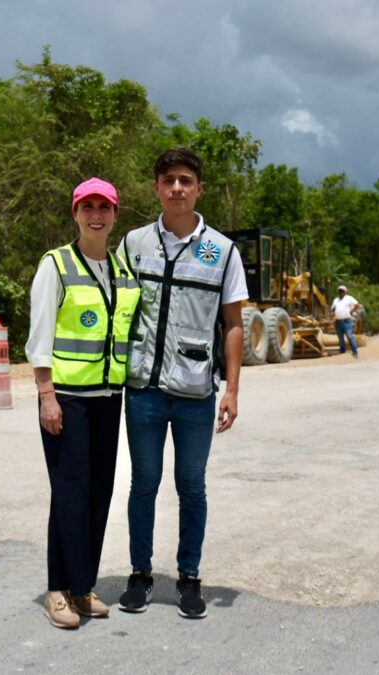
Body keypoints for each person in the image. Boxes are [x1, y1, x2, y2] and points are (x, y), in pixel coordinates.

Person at [115, 147, 246, 619]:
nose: (176, 188)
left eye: (185, 180)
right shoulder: (132, 244)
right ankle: (140, 575)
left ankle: (189, 578)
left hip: (195, 393)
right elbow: (116, 312)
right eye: (168, 179)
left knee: (191, 485)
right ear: (156, 187)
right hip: (144, 390)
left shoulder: (223, 251)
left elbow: (234, 324)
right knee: (143, 483)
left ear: (199, 189)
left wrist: (231, 389)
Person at [25, 177, 141, 629]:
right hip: (67, 400)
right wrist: (46, 397)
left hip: (109, 399)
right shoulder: (56, 265)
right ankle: (57, 590)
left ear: (115, 215)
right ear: (75, 213)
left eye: (104, 207)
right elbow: (39, 336)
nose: (96, 214)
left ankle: (82, 586)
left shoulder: (122, 272)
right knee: (69, 493)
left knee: (98, 493)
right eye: (87, 206)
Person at [331, 284, 361, 358]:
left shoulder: (349, 298)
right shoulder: (336, 300)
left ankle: (355, 352)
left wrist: (351, 311)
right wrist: (332, 315)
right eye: (339, 291)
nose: (341, 292)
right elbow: (333, 309)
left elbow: (357, 305)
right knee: (340, 338)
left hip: (346, 321)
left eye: (342, 291)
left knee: (350, 336)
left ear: (345, 292)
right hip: (338, 322)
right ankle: (342, 352)